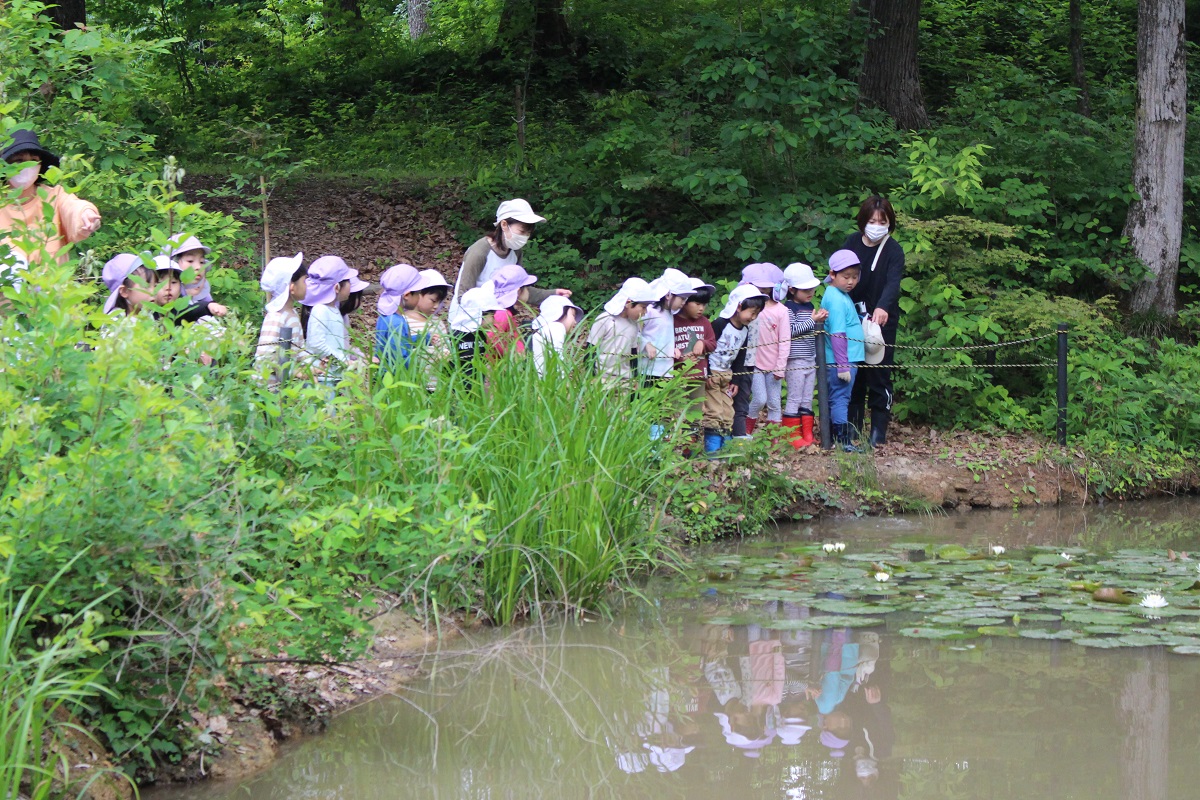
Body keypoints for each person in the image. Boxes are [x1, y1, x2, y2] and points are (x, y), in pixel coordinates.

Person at [842, 196, 904, 446]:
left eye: (882, 221)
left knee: (879, 374)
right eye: (872, 221)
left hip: (880, 322)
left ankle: (878, 432)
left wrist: (882, 306)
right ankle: (852, 427)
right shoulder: (851, 243)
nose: (877, 226)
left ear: (889, 223)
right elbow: (840, 275)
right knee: (854, 374)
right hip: (852, 318)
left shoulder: (893, 250)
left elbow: (893, 282)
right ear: (863, 221)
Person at [448, 199, 570, 317]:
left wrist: (553, 293)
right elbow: (463, 296)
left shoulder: (515, 252)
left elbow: (519, 290)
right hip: (467, 320)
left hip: (496, 319)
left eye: (528, 233)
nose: (525, 237)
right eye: (522, 231)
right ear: (504, 224)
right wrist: (488, 318)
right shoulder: (479, 252)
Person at [1, 129, 100, 263]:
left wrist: (86, 214)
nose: (27, 166)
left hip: (51, 276)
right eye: (19, 161)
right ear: (5, 165)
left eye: (34, 161)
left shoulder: (54, 196)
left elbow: (73, 206)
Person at [704, 285, 766, 454]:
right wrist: (707, 372)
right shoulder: (720, 324)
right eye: (752, 313)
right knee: (714, 411)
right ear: (739, 306)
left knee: (728, 411)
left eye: (757, 314)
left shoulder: (745, 330)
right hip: (713, 374)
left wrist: (736, 380)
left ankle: (726, 448)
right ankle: (713, 451)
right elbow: (707, 349)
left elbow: (740, 357)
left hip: (727, 376)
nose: (753, 317)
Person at [781, 263, 828, 449]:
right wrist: (812, 321)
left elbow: (810, 328)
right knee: (794, 397)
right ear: (792, 290)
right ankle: (791, 435)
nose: (810, 293)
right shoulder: (788, 308)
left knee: (807, 398)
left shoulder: (809, 306)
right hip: (795, 359)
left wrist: (819, 320)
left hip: (810, 358)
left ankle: (807, 434)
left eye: (812, 289)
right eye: (805, 290)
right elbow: (790, 331)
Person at [821, 250, 865, 452]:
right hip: (841, 361)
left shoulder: (841, 295)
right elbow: (837, 333)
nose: (851, 282)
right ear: (832, 274)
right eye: (846, 277)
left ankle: (839, 439)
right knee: (840, 399)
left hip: (848, 358)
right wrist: (843, 365)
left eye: (855, 277)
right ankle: (842, 441)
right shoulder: (836, 299)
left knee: (841, 398)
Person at [585, 277, 659, 391]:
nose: (645, 312)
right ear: (628, 303)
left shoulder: (634, 324)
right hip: (602, 378)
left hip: (625, 380)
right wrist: (591, 377)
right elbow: (590, 351)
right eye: (643, 307)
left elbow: (633, 355)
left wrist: (635, 378)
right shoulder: (605, 320)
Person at [300, 255, 360, 388]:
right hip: (323, 377)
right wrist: (342, 361)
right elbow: (316, 344)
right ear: (337, 287)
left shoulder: (334, 309)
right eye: (348, 281)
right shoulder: (320, 310)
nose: (351, 285)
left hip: (334, 375)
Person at [742, 263, 788, 436]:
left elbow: (785, 341)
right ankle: (744, 432)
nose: (762, 290)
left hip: (774, 365)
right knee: (760, 399)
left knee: (775, 403)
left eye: (766, 287)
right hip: (754, 363)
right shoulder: (749, 310)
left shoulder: (782, 311)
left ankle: (773, 438)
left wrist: (780, 366)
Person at [254, 253, 312, 383]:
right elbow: (265, 357)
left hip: (285, 383)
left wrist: (312, 364)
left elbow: (299, 348)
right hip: (269, 388)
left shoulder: (293, 314)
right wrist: (295, 371)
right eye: (304, 281)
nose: (307, 285)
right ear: (292, 287)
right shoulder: (276, 317)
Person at [672, 278, 717, 428]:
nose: (701, 308)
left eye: (704, 305)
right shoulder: (672, 321)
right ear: (684, 301)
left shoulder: (704, 322)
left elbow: (713, 343)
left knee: (695, 410)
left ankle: (692, 438)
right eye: (697, 304)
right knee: (674, 408)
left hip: (698, 375)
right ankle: (672, 437)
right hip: (677, 375)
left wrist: (703, 343)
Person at [639, 268, 695, 383]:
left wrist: (671, 349)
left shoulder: (669, 313)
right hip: (647, 369)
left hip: (666, 369)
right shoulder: (649, 310)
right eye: (682, 298)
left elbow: (664, 337)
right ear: (668, 295)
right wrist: (646, 344)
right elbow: (635, 332)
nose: (683, 303)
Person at [450, 283, 506, 379]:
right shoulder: (456, 335)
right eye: (492, 315)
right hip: (459, 382)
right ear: (481, 314)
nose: (494, 319)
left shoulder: (481, 334)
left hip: (478, 382)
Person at [486, 264, 541, 357]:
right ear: (518, 291)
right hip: (501, 364)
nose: (528, 291)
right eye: (526, 288)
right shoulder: (503, 314)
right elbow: (492, 337)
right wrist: (511, 354)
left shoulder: (504, 312)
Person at [531, 295, 582, 377]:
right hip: (547, 379)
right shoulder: (556, 328)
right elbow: (557, 359)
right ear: (560, 312)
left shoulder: (546, 329)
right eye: (573, 315)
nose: (575, 321)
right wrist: (562, 380)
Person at [167, 234, 214, 304]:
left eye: (202, 262)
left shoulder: (205, 297)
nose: (198, 267)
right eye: (190, 261)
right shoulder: (166, 298)